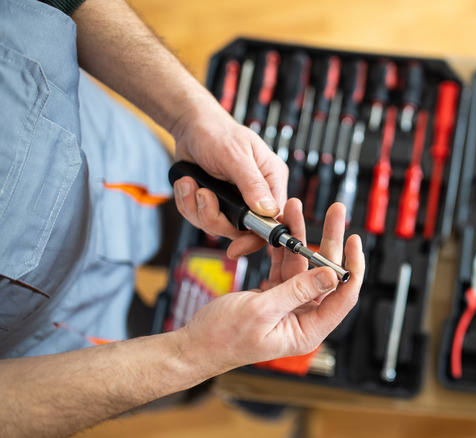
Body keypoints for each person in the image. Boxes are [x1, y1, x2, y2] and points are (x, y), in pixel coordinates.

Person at [0, 0, 364, 436]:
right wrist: (192, 358)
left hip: (96, 151)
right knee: (199, 369)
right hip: (44, 344)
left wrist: (190, 114)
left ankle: (250, 387)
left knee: (194, 215)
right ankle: (237, 389)